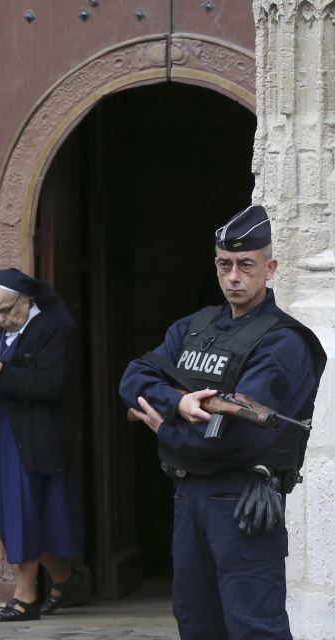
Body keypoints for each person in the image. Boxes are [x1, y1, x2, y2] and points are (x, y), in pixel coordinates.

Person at [119, 205, 326, 640]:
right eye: (224, 264)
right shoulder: (195, 326)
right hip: (189, 494)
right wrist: (179, 402)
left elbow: (234, 441)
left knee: (253, 627)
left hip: (244, 499)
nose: (233, 276)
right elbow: (133, 377)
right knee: (196, 623)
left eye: (245, 265)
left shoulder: (285, 341)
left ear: (269, 268)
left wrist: (162, 428)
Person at [0, 268, 85, 622]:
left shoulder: (51, 330)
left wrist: (3, 373)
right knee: (11, 513)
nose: (1, 319)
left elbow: (52, 384)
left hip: (32, 438)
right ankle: (65, 579)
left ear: (26, 300)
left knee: (25, 513)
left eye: (7, 310)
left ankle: (25, 596)